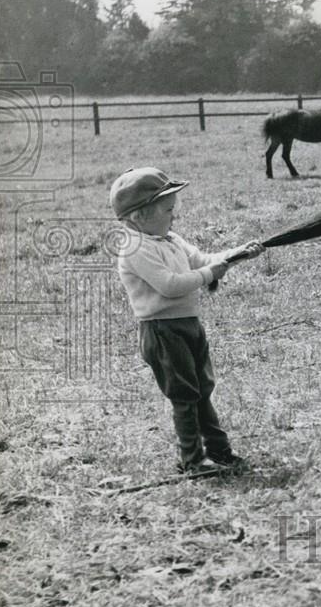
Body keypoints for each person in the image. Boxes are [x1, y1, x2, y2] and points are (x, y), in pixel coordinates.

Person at [109, 167, 264, 474]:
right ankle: (192, 461)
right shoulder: (135, 249)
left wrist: (238, 254)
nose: (174, 217)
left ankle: (218, 450)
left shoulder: (169, 238)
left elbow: (204, 260)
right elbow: (170, 284)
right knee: (185, 396)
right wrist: (209, 275)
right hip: (162, 331)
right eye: (168, 210)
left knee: (202, 389)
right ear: (140, 216)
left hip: (188, 325)